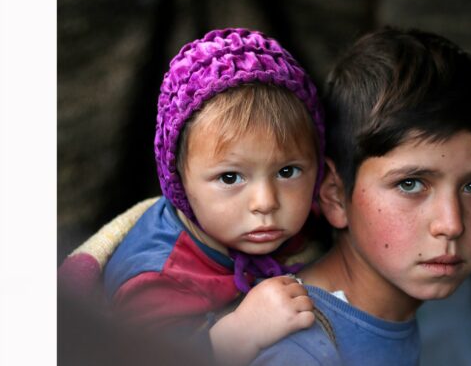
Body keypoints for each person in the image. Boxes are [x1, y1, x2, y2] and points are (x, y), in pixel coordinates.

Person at [250, 26, 471, 365]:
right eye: (410, 184)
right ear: (334, 195)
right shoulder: (299, 348)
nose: (451, 224)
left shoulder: (383, 320)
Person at [99, 28, 325, 365]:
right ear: (178, 180)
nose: (265, 202)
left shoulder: (317, 223)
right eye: (230, 177)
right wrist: (236, 334)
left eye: (287, 171)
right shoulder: (155, 281)